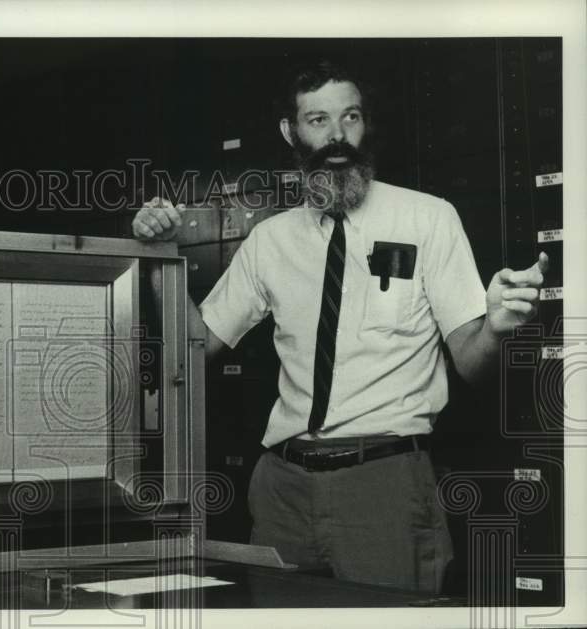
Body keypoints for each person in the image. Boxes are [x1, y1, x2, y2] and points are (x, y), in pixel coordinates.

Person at [131, 60, 548, 593]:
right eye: (318, 120)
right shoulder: (270, 240)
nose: (337, 138)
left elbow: (471, 360)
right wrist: (160, 256)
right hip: (281, 486)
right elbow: (193, 352)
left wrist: (495, 329)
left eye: (349, 117)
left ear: (365, 125)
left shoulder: (428, 218)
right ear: (291, 132)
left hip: (384, 484)